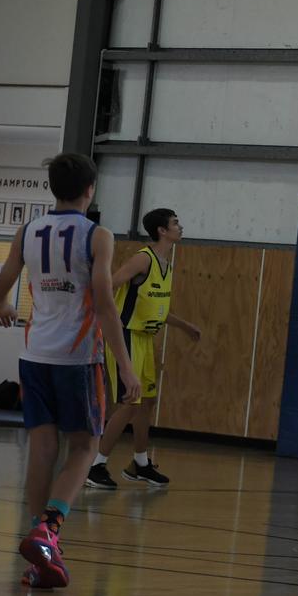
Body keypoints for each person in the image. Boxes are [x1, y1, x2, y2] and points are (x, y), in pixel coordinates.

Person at [0, 152, 141, 589]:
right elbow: (106, 303)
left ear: (53, 188)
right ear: (90, 189)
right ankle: (49, 530)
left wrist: (1, 307)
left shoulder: (28, 231)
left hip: (35, 355)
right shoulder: (98, 235)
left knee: (41, 449)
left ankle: (41, 557)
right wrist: (126, 367)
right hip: (78, 359)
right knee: (84, 447)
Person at [87, 208, 201, 489]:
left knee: (146, 403)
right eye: (176, 222)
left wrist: (185, 326)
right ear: (162, 230)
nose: (180, 226)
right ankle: (95, 466)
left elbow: (156, 309)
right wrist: (101, 316)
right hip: (125, 336)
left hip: (145, 339)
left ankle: (140, 464)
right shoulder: (143, 258)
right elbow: (110, 283)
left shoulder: (167, 265)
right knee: (130, 403)